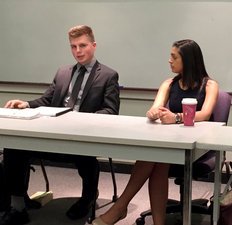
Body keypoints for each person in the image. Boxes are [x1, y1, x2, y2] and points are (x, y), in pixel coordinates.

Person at [0, 25, 120, 225]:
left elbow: (111, 111)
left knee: (88, 159)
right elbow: (46, 101)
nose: (78, 51)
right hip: (53, 134)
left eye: (83, 45)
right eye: (73, 46)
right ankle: (17, 208)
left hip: (82, 137)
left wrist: (79, 120)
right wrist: (25, 104)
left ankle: (88, 199)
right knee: (13, 147)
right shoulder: (62, 73)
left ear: (93, 46)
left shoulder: (108, 75)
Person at [92, 39, 218, 225]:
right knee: (157, 158)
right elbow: (155, 108)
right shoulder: (169, 84)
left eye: (174, 57)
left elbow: (205, 114)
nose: (169, 60)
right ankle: (148, 219)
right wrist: (153, 113)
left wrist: (176, 117)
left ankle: (120, 207)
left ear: (188, 60)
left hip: (197, 145)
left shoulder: (209, 85)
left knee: (156, 158)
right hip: (171, 142)